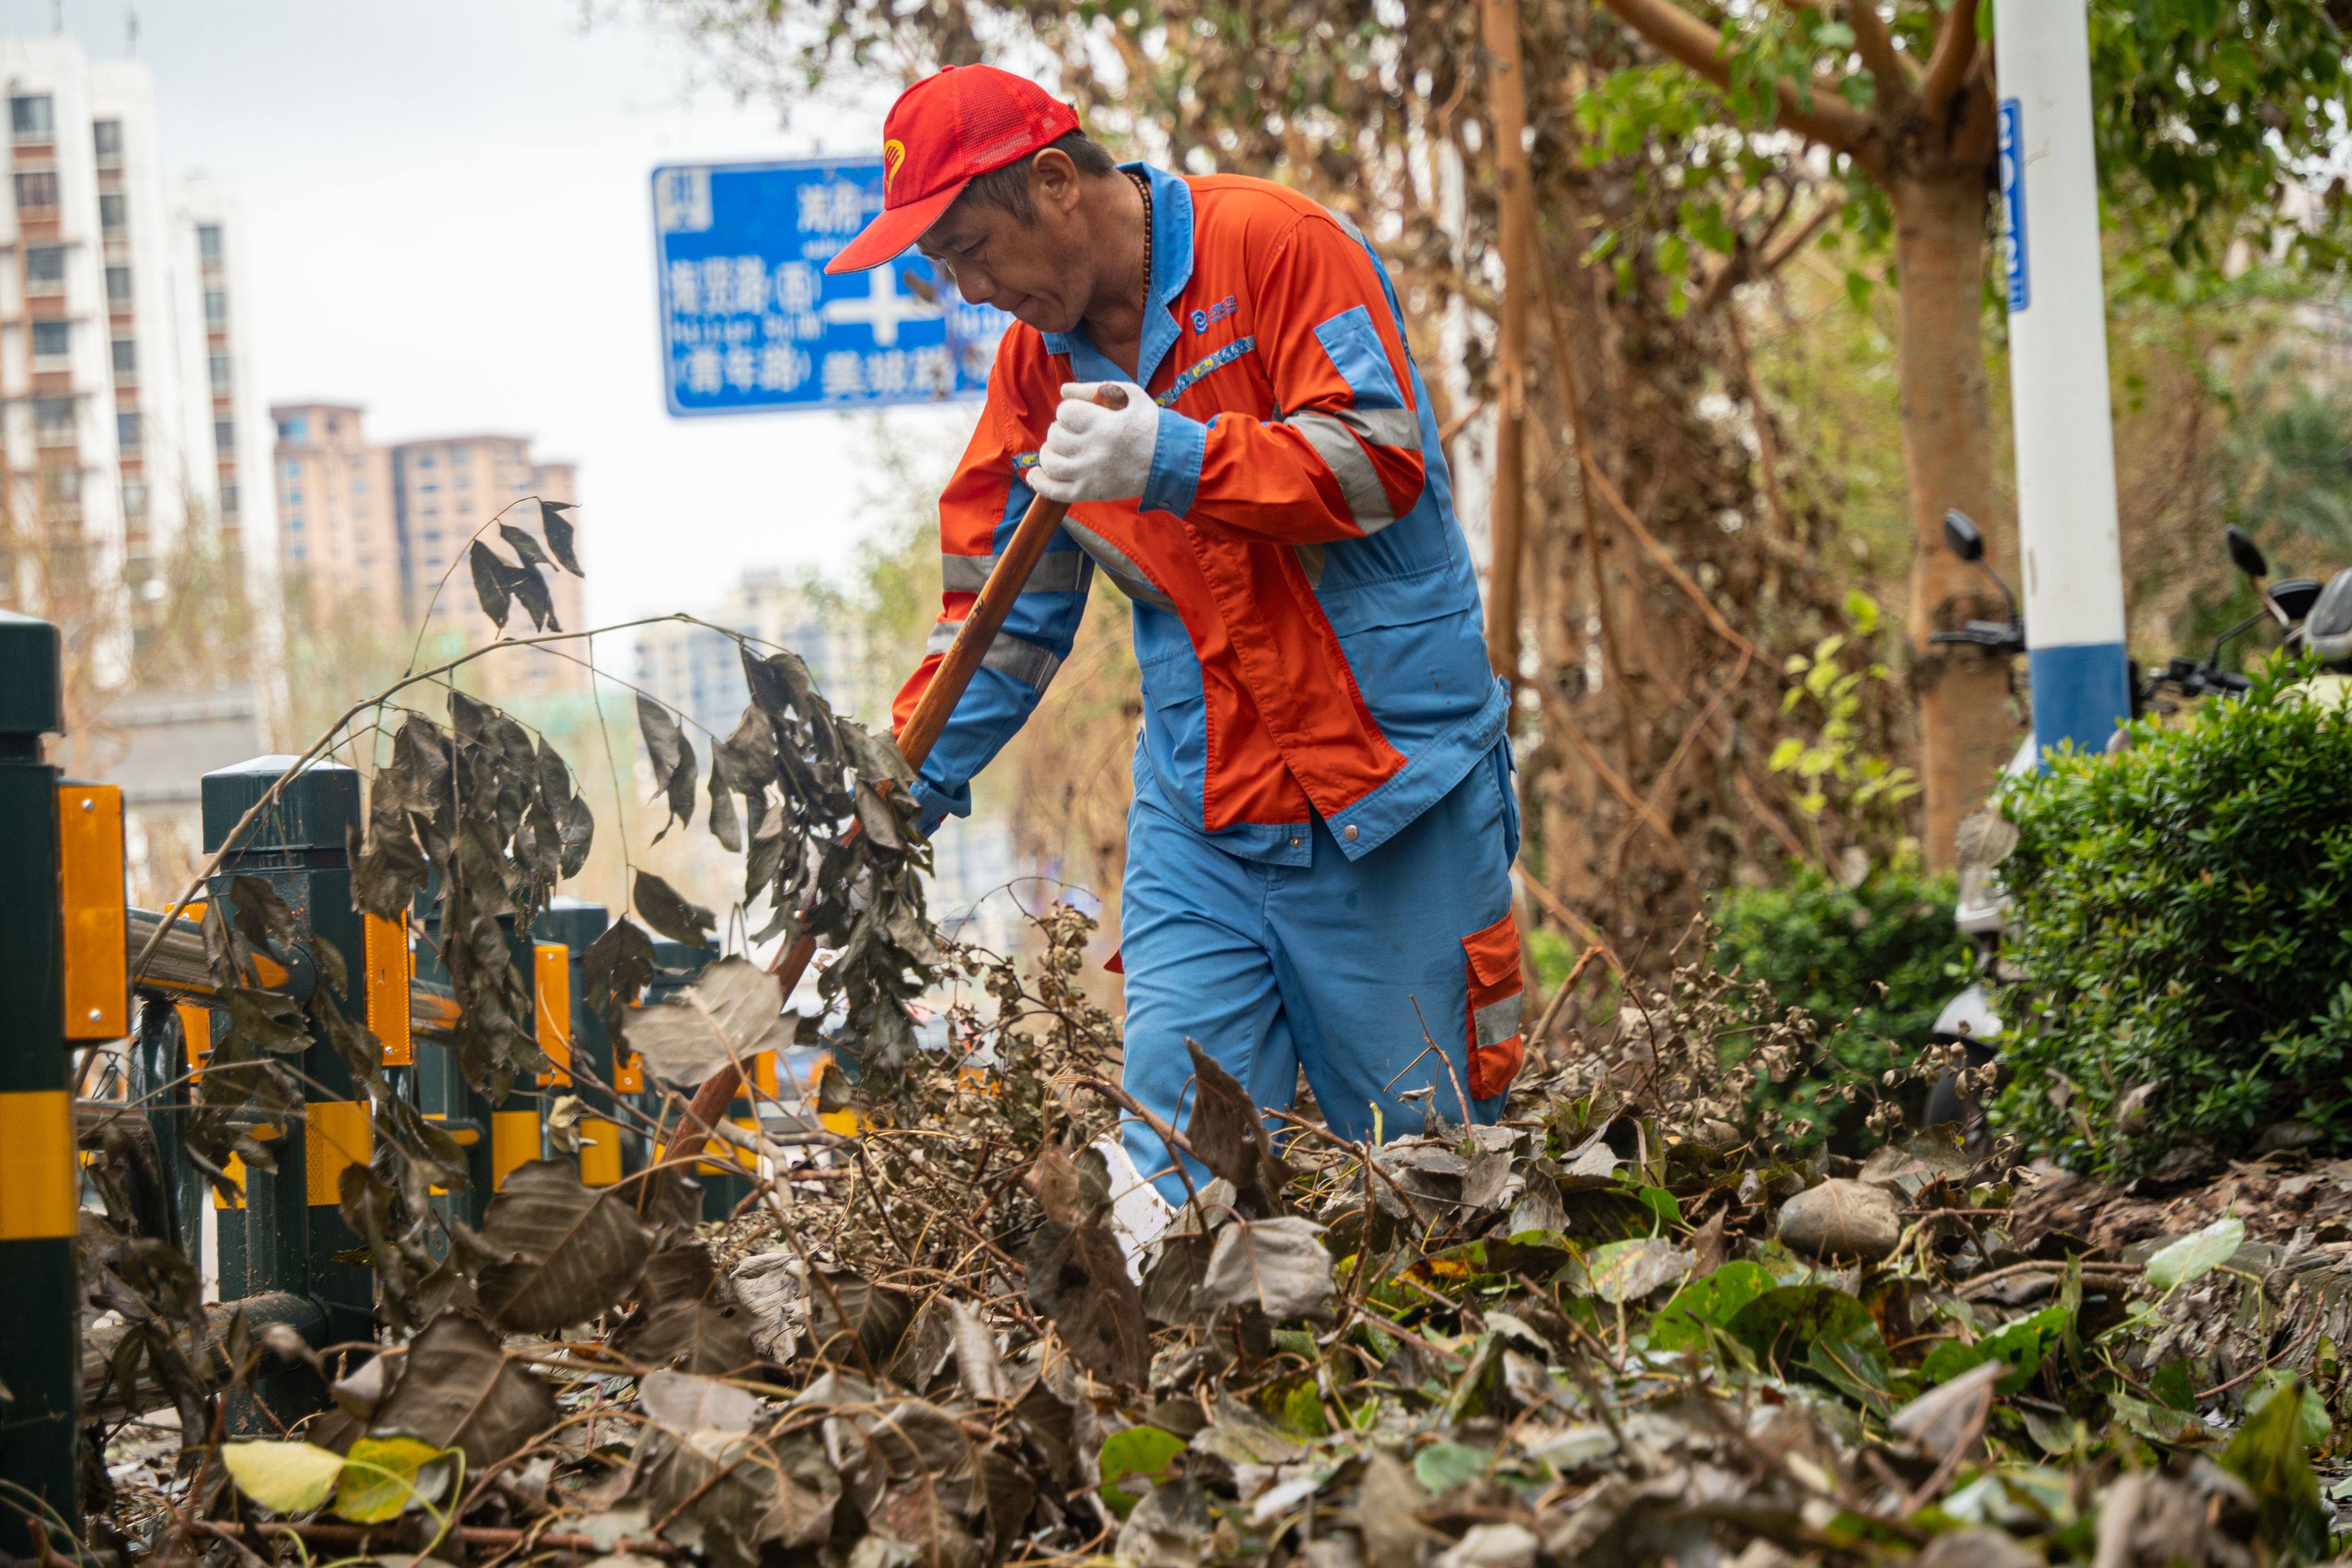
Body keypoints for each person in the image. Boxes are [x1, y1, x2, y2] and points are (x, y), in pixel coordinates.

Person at [825, 63, 1524, 1214]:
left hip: (1392, 788)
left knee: (1425, 1175)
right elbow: (1001, 617)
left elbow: (1383, 458)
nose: (971, 290)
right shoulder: (1032, 373)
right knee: (1174, 1171)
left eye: (973, 250)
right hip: (1206, 815)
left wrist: (1174, 459)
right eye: (942, 270)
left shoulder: (1279, 246)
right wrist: (899, 784)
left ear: (1055, 182)